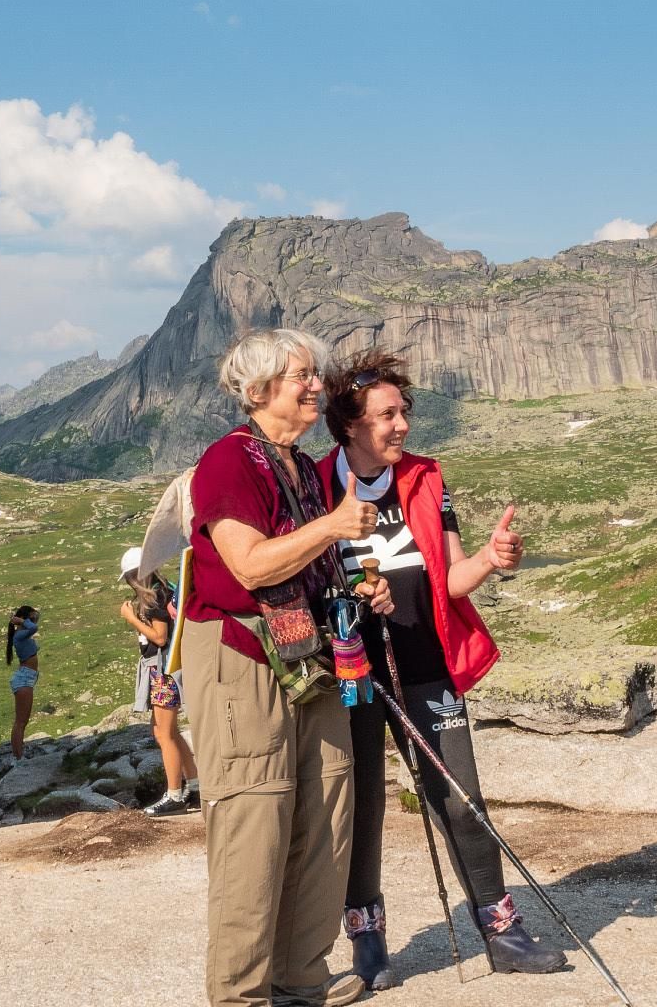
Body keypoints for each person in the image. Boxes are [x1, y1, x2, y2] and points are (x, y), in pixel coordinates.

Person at [320, 348, 567, 987]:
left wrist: (489, 558)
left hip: (426, 667)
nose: (401, 426)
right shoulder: (316, 484)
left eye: (404, 413)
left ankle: (503, 931)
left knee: (461, 799)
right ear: (350, 424)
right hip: (349, 675)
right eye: (386, 416)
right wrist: (351, 600)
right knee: (363, 804)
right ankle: (367, 943)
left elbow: (450, 579)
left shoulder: (429, 478)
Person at [184, 327, 394, 1007]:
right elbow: (248, 564)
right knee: (256, 822)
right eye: (301, 375)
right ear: (257, 390)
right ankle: (241, 997)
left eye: (314, 374)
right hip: (242, 657)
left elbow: (305, 559)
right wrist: (333, 527)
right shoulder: (227, 462)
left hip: (308, 654)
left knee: (328, 815)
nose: (315, 386)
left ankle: (300, 981)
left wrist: (359, 585)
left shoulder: (300, 468)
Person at [117, 544, 201, 817]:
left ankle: (175, 794)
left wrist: (131, 619)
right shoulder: (161, 590)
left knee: (164, 733)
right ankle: (195, 786)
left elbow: (160, 637)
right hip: (161, 670)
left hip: (163, 671)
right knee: (166, 731)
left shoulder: (153, 597)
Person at [7, 604, 41, 759]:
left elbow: (35, 623)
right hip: (24, 679)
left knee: (23, 721)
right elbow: (34, 628)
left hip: (28, 677)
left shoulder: (24, 633)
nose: (34, 619)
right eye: (31, 617)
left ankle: (19, 753)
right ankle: (17, 757)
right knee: (20, 722)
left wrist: (22, 619)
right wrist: (20, 620)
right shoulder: (19, 635)